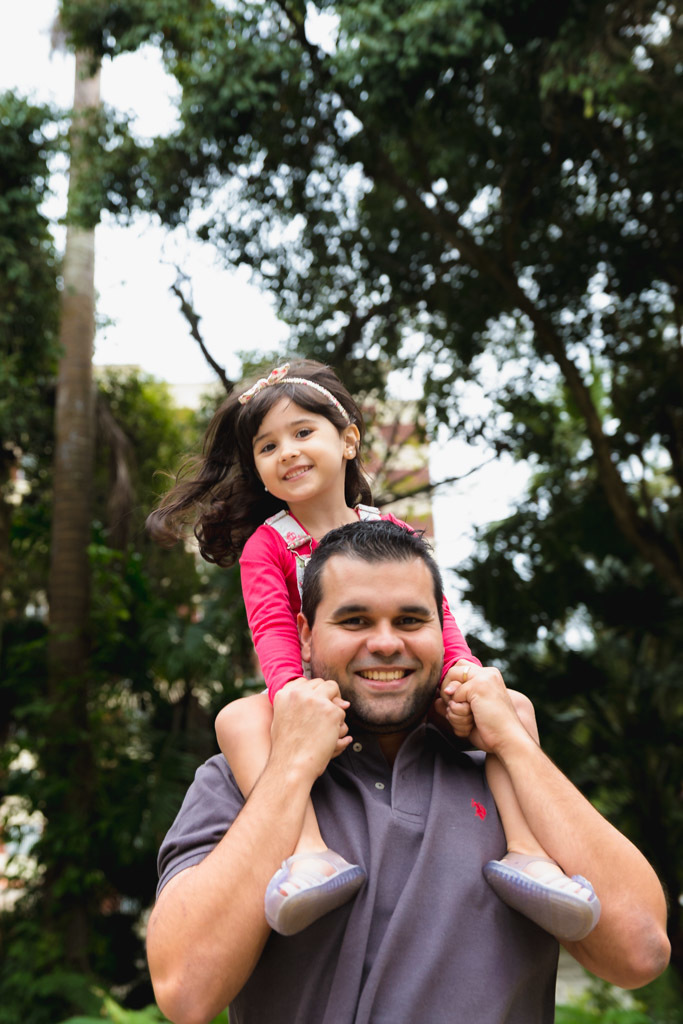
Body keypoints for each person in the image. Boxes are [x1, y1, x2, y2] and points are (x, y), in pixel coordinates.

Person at [147, 520, 670, 1024]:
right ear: (305, 636)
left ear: (440, 631)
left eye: (410, 620)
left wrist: (512, 742)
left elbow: (639, 951)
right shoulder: (239, 777)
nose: (386, 643)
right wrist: (289, 768)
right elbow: (186, 992)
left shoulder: (509, 774)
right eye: (354, 621)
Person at [147, 359, 598, 939]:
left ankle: (528, 850)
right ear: (259, 471)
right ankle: (307, 852)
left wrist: (466, 676)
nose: (287, 451)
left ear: (349, 440)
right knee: (238, 719)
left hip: (407, 684)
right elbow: (274, 631)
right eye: (267, 446)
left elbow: (438, 618)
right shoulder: (270, 543)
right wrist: (293, 698)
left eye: (303, 432)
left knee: (512, 707)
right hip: (314, 688)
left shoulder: (394, 531)